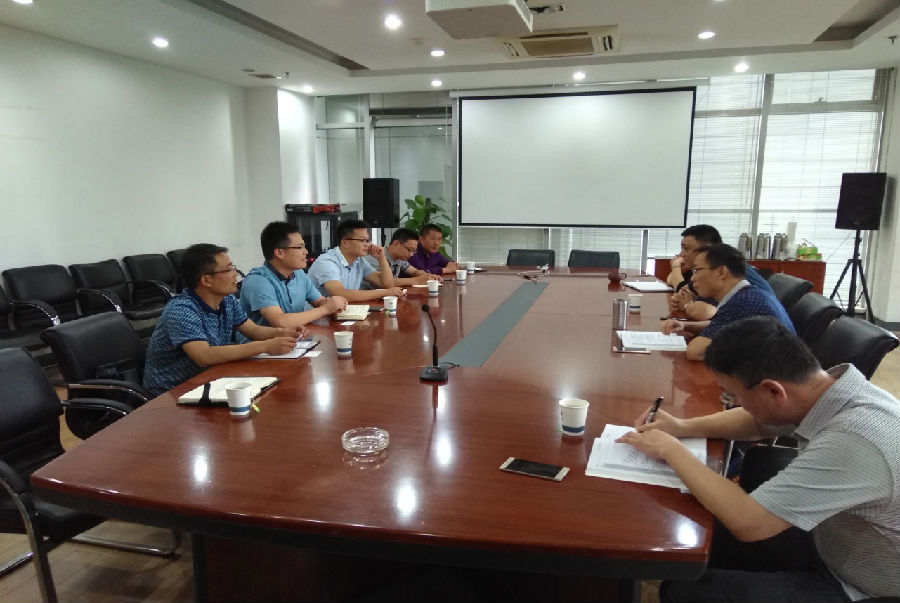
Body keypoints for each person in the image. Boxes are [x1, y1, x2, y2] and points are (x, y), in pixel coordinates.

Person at [617, 317, 899, 602]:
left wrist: (672, 450)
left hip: (863, 586)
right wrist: (681, 428)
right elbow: (758, 422)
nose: (734, 404)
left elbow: (748, 522)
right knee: (698, 535)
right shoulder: (829, 391)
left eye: (734, 396)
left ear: (774, 390)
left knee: (686, 593)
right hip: (832, 538)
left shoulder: (854, 439)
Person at [143, 243, 301, 397]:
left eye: (233, 267)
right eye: (228, 269)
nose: (235, 274)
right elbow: (204, 356)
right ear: (206, 280)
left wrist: (283, 332)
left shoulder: (227, 300)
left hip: (209, 380)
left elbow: (254, 331)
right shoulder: (182, 310)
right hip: (171, 391)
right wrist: (265, 346)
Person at [661, 244, 794, 361]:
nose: (693, 278)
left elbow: (695, 352)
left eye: (697, 270)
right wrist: (685, 325)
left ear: (721, 272)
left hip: (778, 375)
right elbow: (724, 324)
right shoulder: (746, 293)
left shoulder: (742, 302)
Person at [238, 222, 348, 337]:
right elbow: (281, 322)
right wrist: (326, 308)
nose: (306, 252)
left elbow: (319, 301)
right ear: (279, 253)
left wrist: (333, 305)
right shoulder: (258, 281)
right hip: (261, 346)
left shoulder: (298, 273)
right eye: (299, 247)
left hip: (295, 340)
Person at [667, 225, 773, 320]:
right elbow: (679, 289)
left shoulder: (725, 270)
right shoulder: (712, 267)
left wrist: (687, 305)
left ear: (707, 248)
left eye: (686, 249)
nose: (681, 254)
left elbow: (708, 312)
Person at [306, 218, 404, 301]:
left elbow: (387, 284)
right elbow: (341, 294)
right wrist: (385, 292)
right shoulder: (327, 262)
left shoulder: (359, 261)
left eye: (368, 240)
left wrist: (381, 258)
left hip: (345, 312)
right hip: (319, 315)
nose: (368, 245)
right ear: (345, 243)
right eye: (362, 240)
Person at [363, 228, 435, 287]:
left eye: (413, 251)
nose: (411, 254)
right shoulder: (376, 257)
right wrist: (416, 280)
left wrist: (429, 276)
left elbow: (414, 271)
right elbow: (384, 283)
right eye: (409, 250)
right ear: (396, 243)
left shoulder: (400, 258)